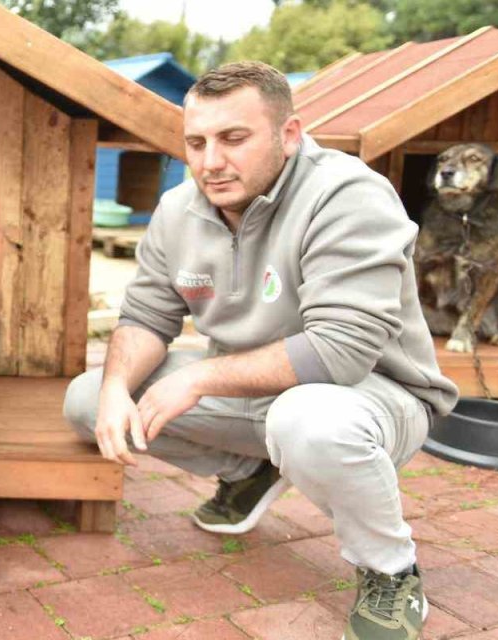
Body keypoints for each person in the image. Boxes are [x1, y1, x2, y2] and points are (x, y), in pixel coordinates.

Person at [63, 62, 458, 640]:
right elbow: (147, 316)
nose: (211, 162)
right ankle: (252, 467)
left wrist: (197, 380)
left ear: (289, 135)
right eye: (196, 143)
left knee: (309, 420)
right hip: (252, 392)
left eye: (234, 138)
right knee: (87, 398)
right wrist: (118, 389)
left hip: (369, 397)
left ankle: (391, 573)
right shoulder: (179, 211)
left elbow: (341, 351)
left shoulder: (349, 195)